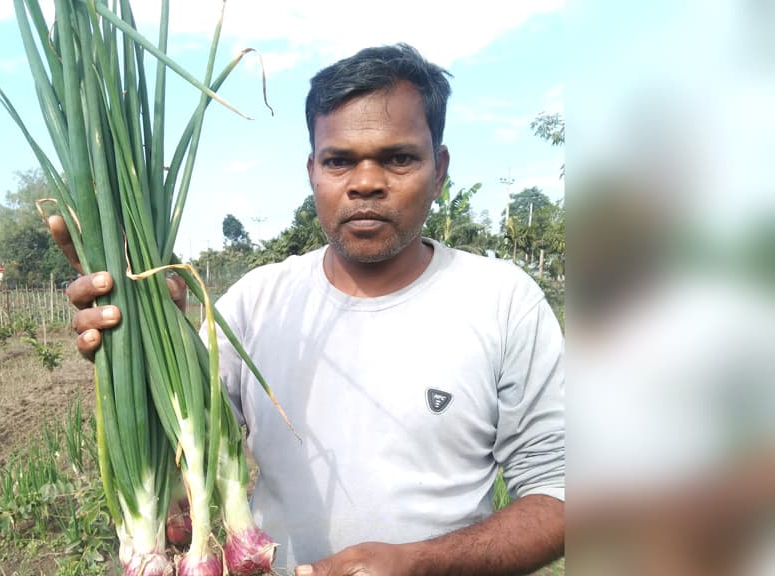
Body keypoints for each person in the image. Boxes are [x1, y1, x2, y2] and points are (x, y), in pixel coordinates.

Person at [56, 43, 565, 575]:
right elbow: (188, 454)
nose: (365, 182)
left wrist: (422, 564)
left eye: (398, 158)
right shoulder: (256, 302)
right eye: (339, 160)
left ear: (438, 171)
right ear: (312, 172)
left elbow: (562, 496)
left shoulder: (503, 301)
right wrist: (134, 335)